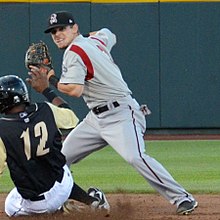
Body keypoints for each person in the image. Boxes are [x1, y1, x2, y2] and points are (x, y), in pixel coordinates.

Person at [32, 10, 198, 215]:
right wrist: (92, 36)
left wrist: (51, 79)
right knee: (60, 158)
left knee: (135, 157)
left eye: (62, 28)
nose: (57, 34)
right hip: (95, 118)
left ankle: (183, 198)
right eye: (53, 31)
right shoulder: (96, 40)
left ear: (74, 28)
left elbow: (75, 90)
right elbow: (109, 33)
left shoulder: (73, 52)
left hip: (121, 114)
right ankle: (86, 200)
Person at [0, 72, 110, 217]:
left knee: (10, 206)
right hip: (64, 182)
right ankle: (92, 202)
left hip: (38, 203)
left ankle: (54, 213)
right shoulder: (46, 109)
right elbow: (71, 117)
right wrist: (46, 90)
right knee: (53, 163)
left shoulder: (2, 129)